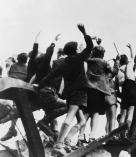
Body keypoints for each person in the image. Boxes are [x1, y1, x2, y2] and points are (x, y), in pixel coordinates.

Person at [38, 24, 93, 156]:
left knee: (82, 121)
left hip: (70, 93)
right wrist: (84, 32)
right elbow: (90, 47)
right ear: (75, 50)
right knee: (70, 116)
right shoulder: (79, 58)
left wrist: (39, 86)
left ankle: (66, 141)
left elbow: (50, 76)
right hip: (79, 92)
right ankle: (59, 144)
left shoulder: (64, 63)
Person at [117, 43, 136, 139]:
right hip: (131, 87)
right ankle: (126, 133)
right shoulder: (130, 65)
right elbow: (132, 57)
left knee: (123, 114)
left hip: (124, 89)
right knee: (130, 113)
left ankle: (121, 134)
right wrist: (131, 47)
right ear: (126, 60)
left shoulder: (118, 70)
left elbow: (118, 84)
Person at [0, 53, 28, 141]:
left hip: (18, 91)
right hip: (17, 91)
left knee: (16, 110)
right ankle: (11, 130)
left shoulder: (14, 67)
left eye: (7, 62)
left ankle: (11, 130)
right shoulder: (14, 68)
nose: (6, 63)